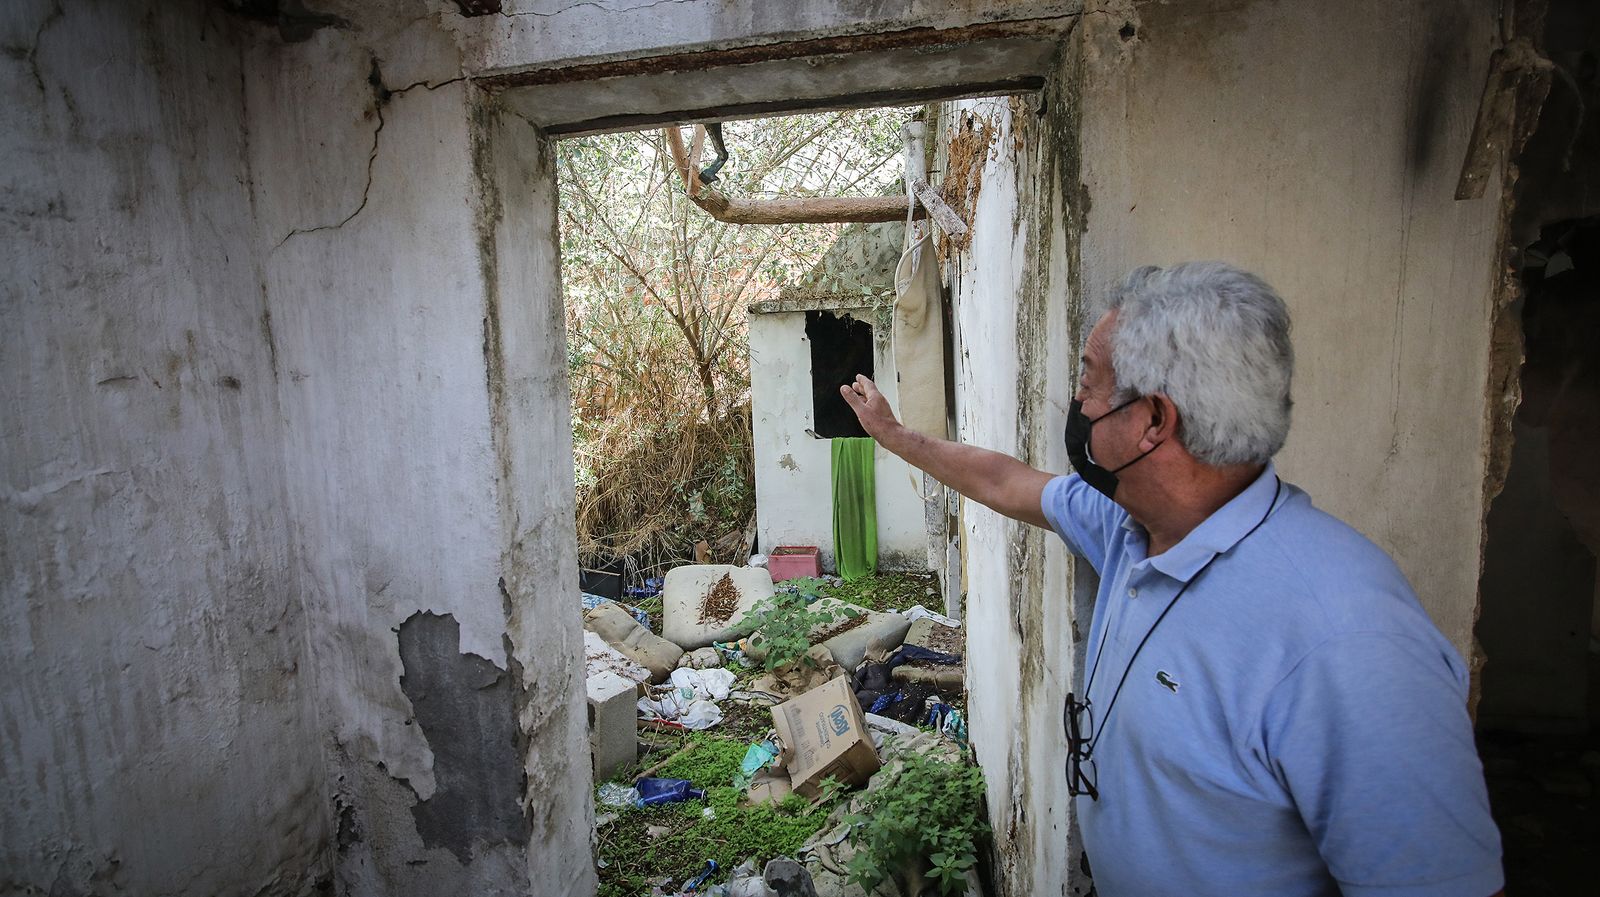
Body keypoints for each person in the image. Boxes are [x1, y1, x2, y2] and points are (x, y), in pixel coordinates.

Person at [839, 262, 1503, 897]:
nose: (1076, 400)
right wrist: (896, 436)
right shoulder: (1127, 523)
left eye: (1089, 379)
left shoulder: (1348, 641)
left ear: (1154, 420)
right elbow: (1005, 481)